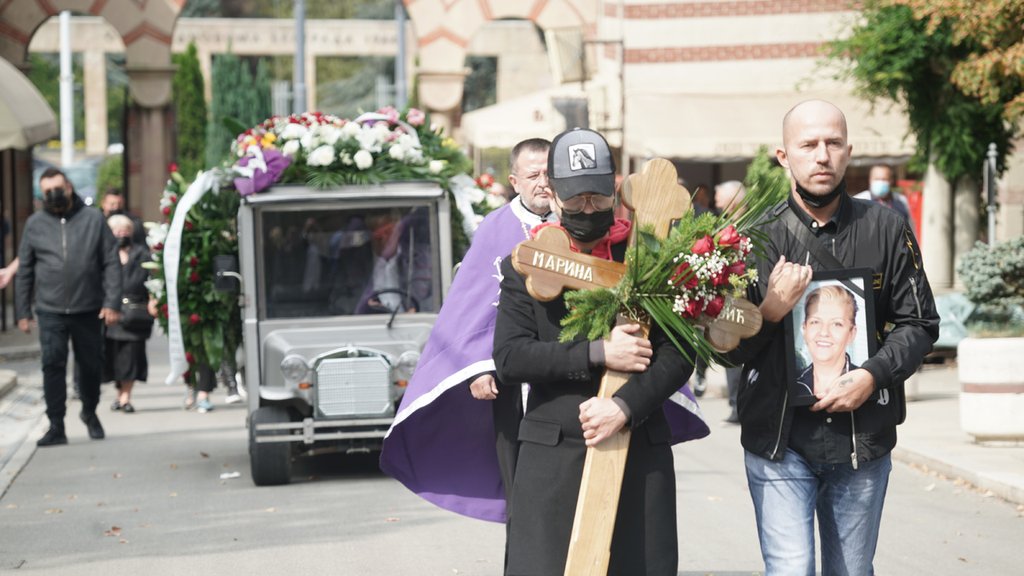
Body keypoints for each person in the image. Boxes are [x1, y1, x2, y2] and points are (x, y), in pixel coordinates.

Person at [728, 100, 939, 575]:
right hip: (778, 443)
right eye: (808, 145)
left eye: (833, 143)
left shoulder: (886, 228)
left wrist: (873, 375)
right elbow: (728, 349)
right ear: (784, 156)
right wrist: (771, 310)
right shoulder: (751, 239)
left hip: (861, 443)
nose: (822, 156)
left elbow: (920, 323)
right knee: (790, 570)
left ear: (849, 152)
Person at [494, 128, 694, 575]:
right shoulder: (525, 261)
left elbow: (681, 352)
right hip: (553, 457)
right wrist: (598, 352)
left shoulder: (651, 255)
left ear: (615, 188)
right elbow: (510, 358)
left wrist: (624, 406)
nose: (588, 209)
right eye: (577, 199)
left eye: (598, 199)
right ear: (554, 194)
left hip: (639, 447)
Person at [379, 138, 558, 523]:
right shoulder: (496, 228)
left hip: (568, 374)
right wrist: (478, 366)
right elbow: (472, 304)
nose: (544, 182)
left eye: (549, 173)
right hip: (513, 378)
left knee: (567, 486)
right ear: (514, 180)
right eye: (533, 174)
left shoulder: (575, 220)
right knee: (520, 489)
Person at [15, 167, 122, 446]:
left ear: (69, 187)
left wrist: (112, 302)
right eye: (46, 191)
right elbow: (25, 268)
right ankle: (56, 425)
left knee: (90, 366)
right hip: (49, 309)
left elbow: (111, 261)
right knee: (52, 365)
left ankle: (89, 410)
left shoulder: (93, 219)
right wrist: (23, 311)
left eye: (57, 189)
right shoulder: (35, 224)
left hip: (88, 308)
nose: (53, 196)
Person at [103, 215, 154, 413]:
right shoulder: (105, 254)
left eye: (126, 230)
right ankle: (119, 393)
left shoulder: (142, 254)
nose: (122, 234)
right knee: (113, 356)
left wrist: (153, 300)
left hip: (135, 313)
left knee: (132, 356)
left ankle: (126, 397)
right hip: (110, 312)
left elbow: (151, 280)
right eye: (118, 230)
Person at [715, 180, 748, 423]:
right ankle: (735, 404)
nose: (716, 198)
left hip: (743, 299)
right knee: (728, 351)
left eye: (721, 195)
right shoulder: (721, 224)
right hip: (725, 299)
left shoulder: (749, 226)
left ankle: (740, 404)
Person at [796, 285, 859, 399]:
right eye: (815, 322)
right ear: (804, 329)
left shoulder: (865, 382)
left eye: (837, 324)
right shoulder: (791, 383)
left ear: (851, 334)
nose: (824, 332)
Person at [853, 164, 915, 234]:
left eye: (884, 179)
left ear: (891, 180)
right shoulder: (858, 201)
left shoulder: (901, 201)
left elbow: (910, 229)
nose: (880, 182)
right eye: (877, 179)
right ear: (870, 180)